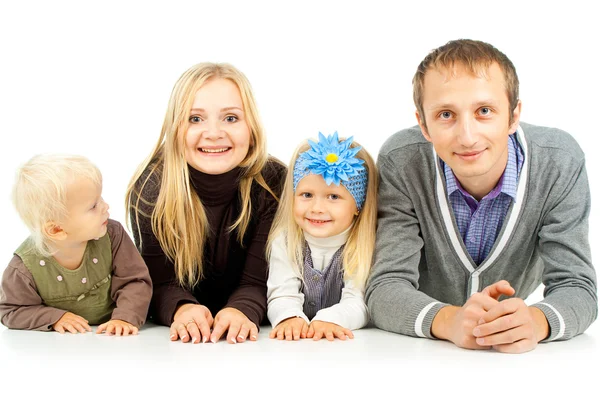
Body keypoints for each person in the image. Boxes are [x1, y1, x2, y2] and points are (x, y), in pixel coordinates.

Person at [366, 39, 597, 353]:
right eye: (446, 115)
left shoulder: (560, 161)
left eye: (484, 111)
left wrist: (536, 320)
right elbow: (385, 287)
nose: (467, 136)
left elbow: (578, 286)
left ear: (514, 115)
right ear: (423, 123)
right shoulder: (402, 161)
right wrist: (450, 321)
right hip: (419, 360)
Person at [126, 62, 285, 344]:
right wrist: (182, 308)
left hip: (254, 316)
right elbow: (159, 282)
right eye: (195, 119)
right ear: (175, 129)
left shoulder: (272, 182)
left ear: (252, 127)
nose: (213, 133)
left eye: (231, 118)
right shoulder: (152, 187)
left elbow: (261, 278)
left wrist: (241, 309)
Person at [0, 154, 152, 335]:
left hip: (111, 340)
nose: (106, 206)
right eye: (93, 206)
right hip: (66, 347)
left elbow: (135, 281)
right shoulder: (24, 269)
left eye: (100, 198)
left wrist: (125, 317)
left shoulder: (112, 235)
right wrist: (53, 317)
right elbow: (11, 310)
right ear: (56, 230)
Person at [267, 132, 378, 341]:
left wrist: (332, 318)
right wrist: (288, 317)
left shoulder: (363, 245)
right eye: (306, 195)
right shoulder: (286, 240)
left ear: (358, 205)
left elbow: (360, 302)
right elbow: (281, 293)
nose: (317, 208)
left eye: (333, 197)